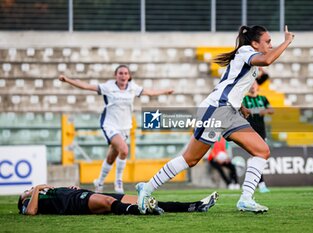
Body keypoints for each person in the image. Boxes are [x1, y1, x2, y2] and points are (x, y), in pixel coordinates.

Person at [136, 25, 294, 213]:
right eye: (267, 41)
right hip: (216, 111)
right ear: (254, 43)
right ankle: (146, 188)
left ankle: (246, 198)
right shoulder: (246, 51)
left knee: (262, 151)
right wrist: (286, 42)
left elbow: (233, 84)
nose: (270, 44)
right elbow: (268, 60)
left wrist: (240, 106)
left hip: (230, 112)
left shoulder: (249, 59)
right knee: (191, 159)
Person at [59, 65, 174, 194]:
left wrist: (165, 92)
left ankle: (99, 182)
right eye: (120, 73)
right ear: (116, 75)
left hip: (125, 127)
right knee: (124, 150)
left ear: (129, 76)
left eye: (125, 73)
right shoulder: (108, 87)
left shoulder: (132, 88)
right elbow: (86, 86)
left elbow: (150, 92)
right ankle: (118, 181)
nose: (123, 75)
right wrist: (67, 80)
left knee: (111, 157)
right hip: (110, 125)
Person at [18, 184, 218, 216]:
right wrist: (33, 190)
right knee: (106, 202)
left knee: (147, 198)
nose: (29, 190)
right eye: (24, 191)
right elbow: (31, 213)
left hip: (80, 194)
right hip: (75, 204)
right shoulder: (30, 201)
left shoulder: (44, 191)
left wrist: (74, 187)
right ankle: (141, 212)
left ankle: (195, 206)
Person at [243, 80, 274, 193]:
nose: (252, 86)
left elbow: (272, 110)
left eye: (254, 84)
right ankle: (260, 184)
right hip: (250, 131)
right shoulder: (244, 99)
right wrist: (253, 111)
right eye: (250, 84)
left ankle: (258, 184)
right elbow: (241, 112)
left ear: (257, 86)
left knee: (259, 158)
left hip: (261, 132)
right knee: (256, 158)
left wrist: (264, 111)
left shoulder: (263, 99)